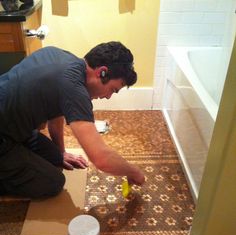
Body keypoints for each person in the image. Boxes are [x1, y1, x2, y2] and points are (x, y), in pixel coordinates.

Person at [0, 41, 145, 198]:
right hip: (4, 136)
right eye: (112, 89)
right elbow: (100, 158)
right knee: (52, 183)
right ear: (102, 72)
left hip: (14, 127)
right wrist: (133, 171)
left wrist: (61, 153)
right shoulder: (74, 87)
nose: (108, 97)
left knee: (55, 157)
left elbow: (55, 114)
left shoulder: (66, 59)